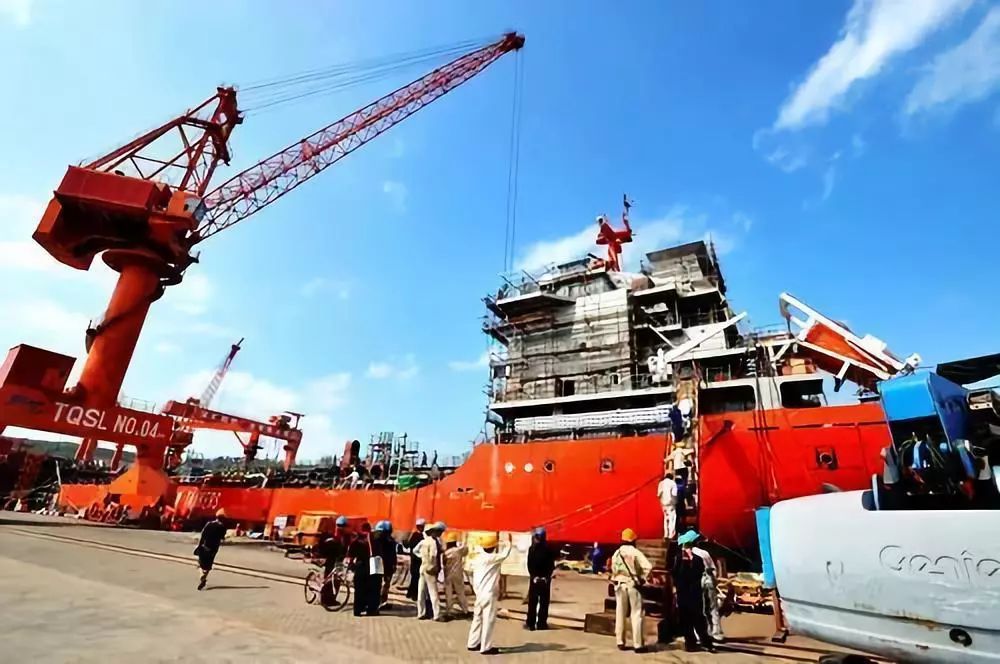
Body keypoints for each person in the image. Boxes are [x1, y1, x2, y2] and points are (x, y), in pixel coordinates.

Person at [467, 533, 511, 655]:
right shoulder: (492, 559)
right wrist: (508, 542)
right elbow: (505, 554)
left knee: (477, 618)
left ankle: (472, 643)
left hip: (479, 594)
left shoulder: (477, 558)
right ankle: (486, 647)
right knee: (488, 620)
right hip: (489, 594)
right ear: (493, 547)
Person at [609, 528, 651, 653]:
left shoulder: (617, 553)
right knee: (636, 613)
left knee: (620, 612)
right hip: (632, 584)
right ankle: (638, 644)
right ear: (633, 540)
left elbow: (613, 569)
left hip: (619, 584)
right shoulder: (635, 552)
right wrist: (643, 578)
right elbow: (648, 567)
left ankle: (620, 641)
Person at [673, 531, 714, 652]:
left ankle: (691, 643)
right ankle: (705, 642)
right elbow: (700, 573)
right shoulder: (697, 559)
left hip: (683, 593)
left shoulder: (679, 559)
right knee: (698, 618)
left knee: (686, 619)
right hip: (695, 593)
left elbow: (675, 574)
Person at [684, 531, 725, 642]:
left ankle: (700, 634)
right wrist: (715, 583)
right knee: (713, 608)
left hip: (696, 583)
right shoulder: (704, 553)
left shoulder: (686, 554)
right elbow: (713, 569)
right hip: (709, 581)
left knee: (699, 609)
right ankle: (717, 633)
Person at [525, 527, 555, 631]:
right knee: (544, 602)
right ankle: (541, 624)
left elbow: (529, 564)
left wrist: (533, 576)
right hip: (545, 580)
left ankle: (530, 623)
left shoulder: (532, 549)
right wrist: (547, 576)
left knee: (532, 602)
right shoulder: (549, 549)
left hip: (535, 579)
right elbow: (551, 565)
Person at [317, 516, 351, 607]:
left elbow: (347, 548)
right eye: (340, 526)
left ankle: (332, 599)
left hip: (339, 560)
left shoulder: (346, 537)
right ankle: (324, 599)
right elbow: (323, 547)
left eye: (343, 526)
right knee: (329, 579)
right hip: (330, 559)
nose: (341, 528)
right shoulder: (330, 535)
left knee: (337, 580)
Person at [414, 521, 444, 621]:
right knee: (433, 592)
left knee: (421, 592)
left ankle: (420, 613)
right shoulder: (433, 542)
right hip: (430, 569)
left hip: (422, 567)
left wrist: (422, 557)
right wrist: (433, 566)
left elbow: (415, 550)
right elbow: (433, 556)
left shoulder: (423, 541)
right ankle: (437, 614)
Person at [194, 509, 227, 591]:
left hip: (204, 546)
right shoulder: (222, 527)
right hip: (213, 549)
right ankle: (204, 576)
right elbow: (222, 538)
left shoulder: (209, 524)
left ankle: (202, 575)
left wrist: (199, 545)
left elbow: (203, 535)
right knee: (209, 565)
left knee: (200, 563)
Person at [348, 522, 374, 616]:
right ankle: (365, 607)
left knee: (358, 590)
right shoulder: (371, 540)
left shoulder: (356, 541)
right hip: (370, 567)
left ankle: (357, 610)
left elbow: (351, 555)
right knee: (367, 589)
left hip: (359, 566)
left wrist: (351, 564)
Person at [442, 530, 469, 617]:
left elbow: (443, 563)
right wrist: (465, 539)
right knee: (460, 592)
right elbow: (466, 550)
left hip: (448, 575)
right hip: (458, 574)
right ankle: (465, 610)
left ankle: (448, 611)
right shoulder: (458, 550)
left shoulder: (446, 553)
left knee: (448, 593)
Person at [373, 520, 397, 611]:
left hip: (378, 563)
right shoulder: (390, 541)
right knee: (384, 584)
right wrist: (394, 564)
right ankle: (381, 601)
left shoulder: (374, 539)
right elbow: (393, 554)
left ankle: (378, 601)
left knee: (378, 583)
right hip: (386, 565)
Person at [406, 518, 426, 600]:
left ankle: (410, 593)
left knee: (416, 577)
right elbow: (411, 546)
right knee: (415, 576)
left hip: (418, 559)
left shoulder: (422, 535)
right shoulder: (416, 535)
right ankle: (413, 594)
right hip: (416, 559)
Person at [656, 471, 679, 539]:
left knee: (666, 518)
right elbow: (674, 494)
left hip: (663, 504)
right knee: (672, 518)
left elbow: (658, 494)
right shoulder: (673, 483)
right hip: (671, 503)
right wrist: (676, 501)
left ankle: (666, 534)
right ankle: (671, 535)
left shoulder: (661, 483)